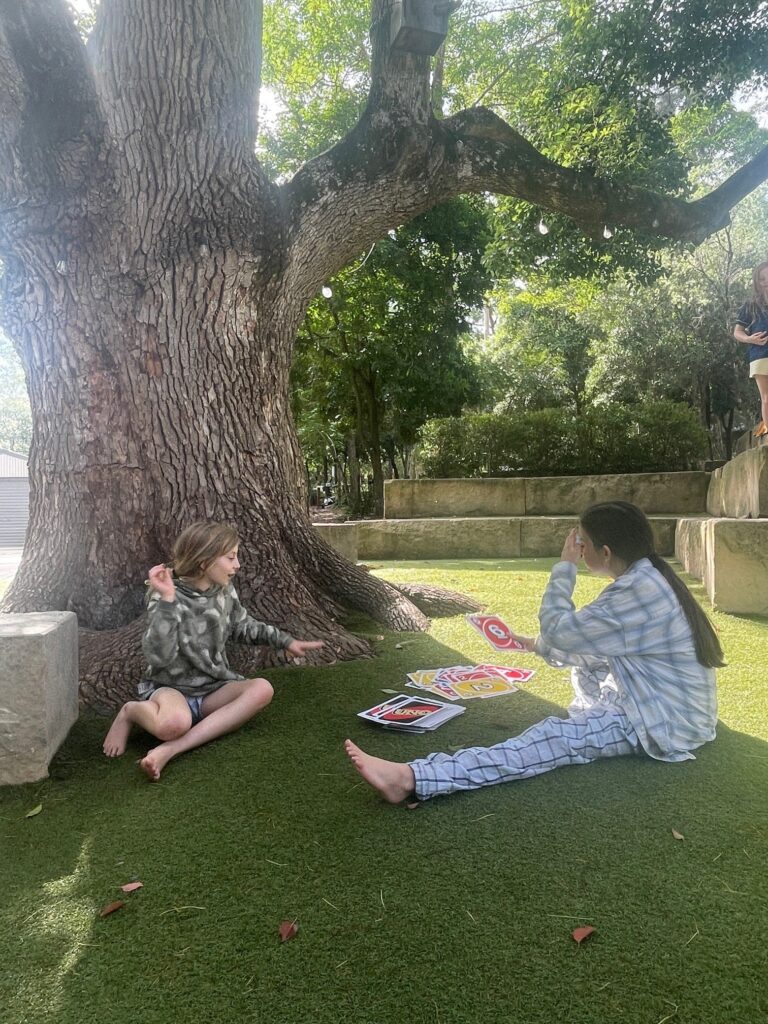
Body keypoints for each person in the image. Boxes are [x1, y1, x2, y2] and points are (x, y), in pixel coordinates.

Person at [345, 501, 725, 805]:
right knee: (583, 666)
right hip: (669, 704)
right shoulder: (648, 576)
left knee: (552, 737)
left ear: (605, 552)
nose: (578, 550)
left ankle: (412, 778)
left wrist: (565, 567)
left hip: (665, 723)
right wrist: (534, 644)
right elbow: (587, 645)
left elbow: (559, 630)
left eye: (582, 544)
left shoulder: (638, 591)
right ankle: (588, 724)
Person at [104, 521, 324, 780]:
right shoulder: (164, 596)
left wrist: (285, 642)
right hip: (172, 689)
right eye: (230, 557)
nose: (237, 565)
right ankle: (130, 712)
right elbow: (159, 656)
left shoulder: (224, 591)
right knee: (174, 725)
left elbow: (243, 626)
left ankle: (172, 749)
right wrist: (167, 600)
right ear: (204, 561)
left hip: (212, 689)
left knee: (262, 689)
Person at [734, 261, 768, 438]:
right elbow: (737, 332)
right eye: (762, 278)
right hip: (760, 355)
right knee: (767, 397)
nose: (766, 281)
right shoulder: (750, 305)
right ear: (757, 281)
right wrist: (750, 338)